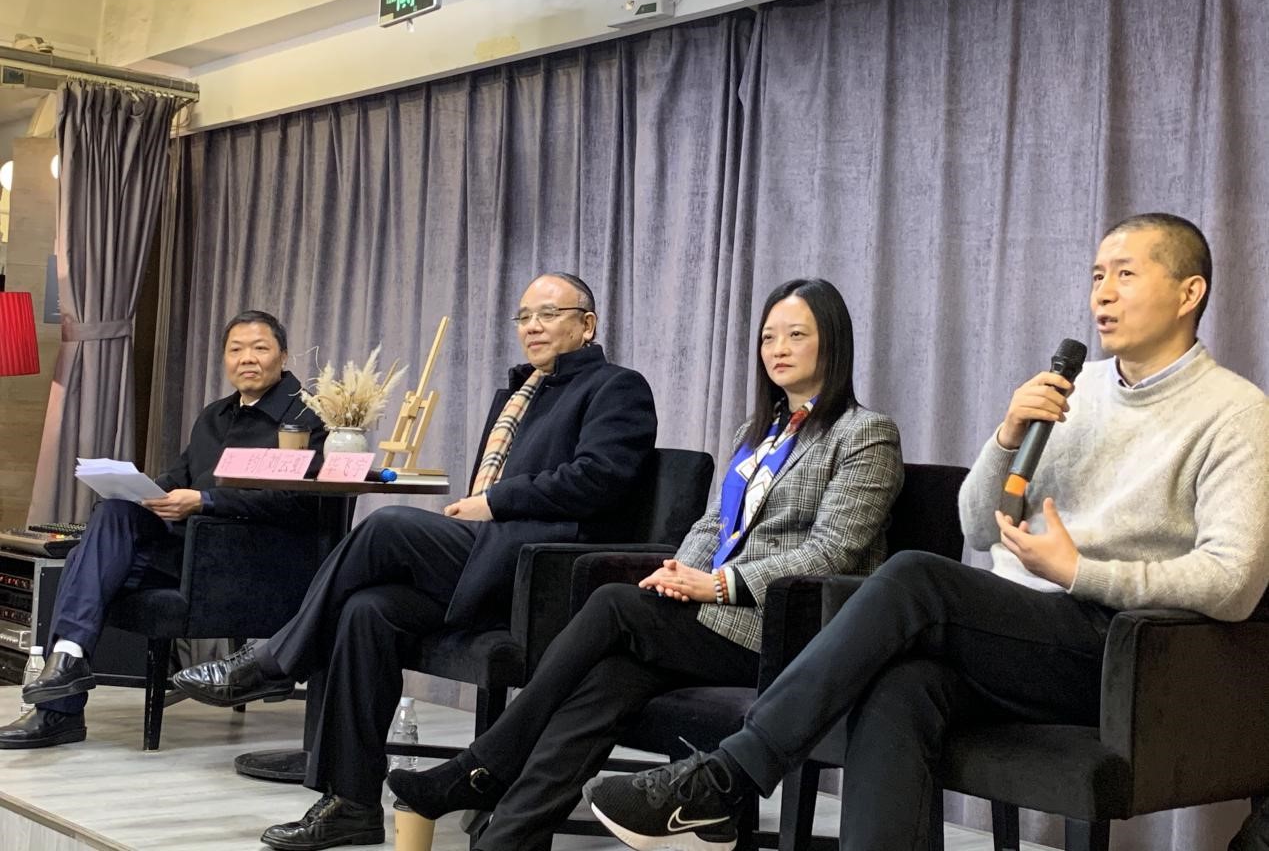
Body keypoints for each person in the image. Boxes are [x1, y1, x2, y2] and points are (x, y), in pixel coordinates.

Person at [587, 213, 1269, 851]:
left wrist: (1081, 571)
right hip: (1024, 630)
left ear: (1188, 293)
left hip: (1121, 648)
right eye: (1096, 275)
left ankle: (727, 775)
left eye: (1125, 274)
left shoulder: (1235, 414)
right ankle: (725, 785)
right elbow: (976, 524)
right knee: (902, 687)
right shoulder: (1073, 389)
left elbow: (1233, 583)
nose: (1103, 293)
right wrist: (1007, 436)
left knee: (916, 574)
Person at [386, 277, 904, 851]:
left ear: (833, 341)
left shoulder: (865, 434)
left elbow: (831, 551)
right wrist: (678, 574)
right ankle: (506, 840)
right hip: (716, 622)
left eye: (796, 335)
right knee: (608, 681)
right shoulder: (758, 433)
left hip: (790, 632)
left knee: (613, 602)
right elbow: (712, 525)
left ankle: (482, 765)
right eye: (767, 337)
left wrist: (717, 585)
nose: (777, 349)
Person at [174, 272, 658, 851]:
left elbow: (601, 478)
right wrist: (484, 508)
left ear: (587, 324)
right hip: (488, 555)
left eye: (548, 314)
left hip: (541, 572)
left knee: (388, 525)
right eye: (524, 316)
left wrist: (495, 501)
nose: (532, 326)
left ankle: (274, 661)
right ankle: (351, 805)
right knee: (366, 610)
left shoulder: (617, 387)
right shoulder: (521, 393)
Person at [0, 310, 326, 750]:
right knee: (113, 516)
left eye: (260, 348)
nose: (247, 358)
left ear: (283, 356)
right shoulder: (214, 416)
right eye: (236, 349)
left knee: (84, 562)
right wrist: (141, 491)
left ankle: (60, 704)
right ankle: (66, 671)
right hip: (186, 552)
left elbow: (299, 502)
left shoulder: (307, 417)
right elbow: (177, 477)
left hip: (248, 563)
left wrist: (204, 500)